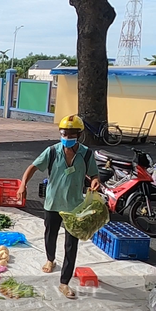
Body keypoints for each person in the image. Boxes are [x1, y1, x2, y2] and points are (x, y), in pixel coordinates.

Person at [16, 115, 100, 299]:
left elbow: (94, 174)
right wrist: (23, 184)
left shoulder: (86, 154)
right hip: (53, 203)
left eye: (71, 134)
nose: (67, 137)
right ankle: (50, 259)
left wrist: (95, 182)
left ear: (79, 135)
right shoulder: (52, 151)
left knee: (71, 245)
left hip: (74, 207)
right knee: (50, 234)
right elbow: (32, 167)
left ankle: (64, 282)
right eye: (64, 134)